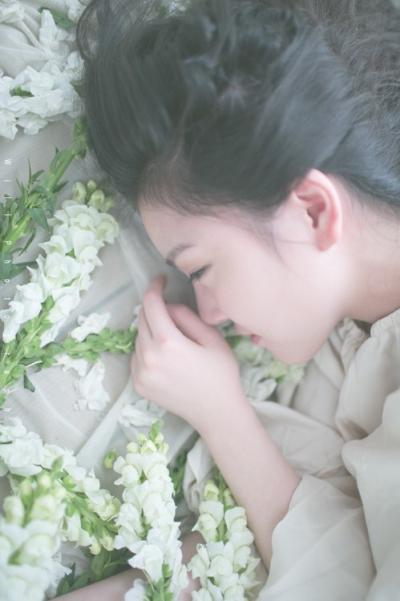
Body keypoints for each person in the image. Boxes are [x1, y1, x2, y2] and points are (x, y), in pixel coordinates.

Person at [62, 0, 400, 598]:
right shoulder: (349, 334)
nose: (210, 311)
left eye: (201, 268)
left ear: (313, 210)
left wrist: (222, 415)